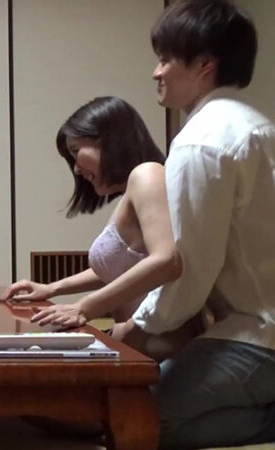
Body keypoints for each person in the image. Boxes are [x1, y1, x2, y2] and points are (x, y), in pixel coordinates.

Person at [115, 0, 275, 447]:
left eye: (166, 59)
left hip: (257, 337)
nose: (156, 72)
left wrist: (137, 329)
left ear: (205, 64)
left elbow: (189, 267)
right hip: (255, 331)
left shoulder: (202, 142)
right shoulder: (260, 125)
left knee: (138, 421)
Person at [0, 97, 193, 358]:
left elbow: (166, 260)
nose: (77, 170)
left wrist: (85, 307)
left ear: (109, 141)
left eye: (76, 151)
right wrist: (52, 288)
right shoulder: (134, 186)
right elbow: (121, 265)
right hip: (138, 344)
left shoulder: (148, 174)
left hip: (160, 349)